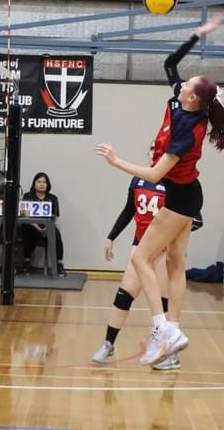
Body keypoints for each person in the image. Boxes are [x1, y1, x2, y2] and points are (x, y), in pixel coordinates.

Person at [95, 15, 224, 366]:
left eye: (187, 83)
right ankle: (170, 342)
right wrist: (197, 33)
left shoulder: (187, 132)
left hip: (179, 198)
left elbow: (154, 173)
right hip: (190, 193)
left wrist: (116, 162)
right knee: (176, 264)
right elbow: (170, 63)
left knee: (140, 258)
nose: (181, 82)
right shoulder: (183, 99)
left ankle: (163, 329)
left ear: (192, 97)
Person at [91, 144, 175, 370]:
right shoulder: (138, 179)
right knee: (124, 294)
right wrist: (111, 237)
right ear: (148, 154)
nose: (155, 152)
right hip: (140, 246)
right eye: (152, 149)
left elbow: (194, 219)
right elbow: (129, 210)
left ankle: (166, 352)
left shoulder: (177, 183)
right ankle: (108, 344)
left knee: (162, 302)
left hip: (164, 250)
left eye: (161, 150)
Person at [20, 172, 65, 277]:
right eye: (39, 182)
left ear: (48, 184)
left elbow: (54, 216)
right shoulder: (27, 196)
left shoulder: (53, 198)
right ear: (34, 184)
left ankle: (59, 264)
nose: (42, 184)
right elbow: (26, 215)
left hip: (47, 226)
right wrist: (37, 227)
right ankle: (26, 263)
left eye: (44, 182)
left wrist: (45, 228)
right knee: (28, 232)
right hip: (31, 225)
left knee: (56, 234)